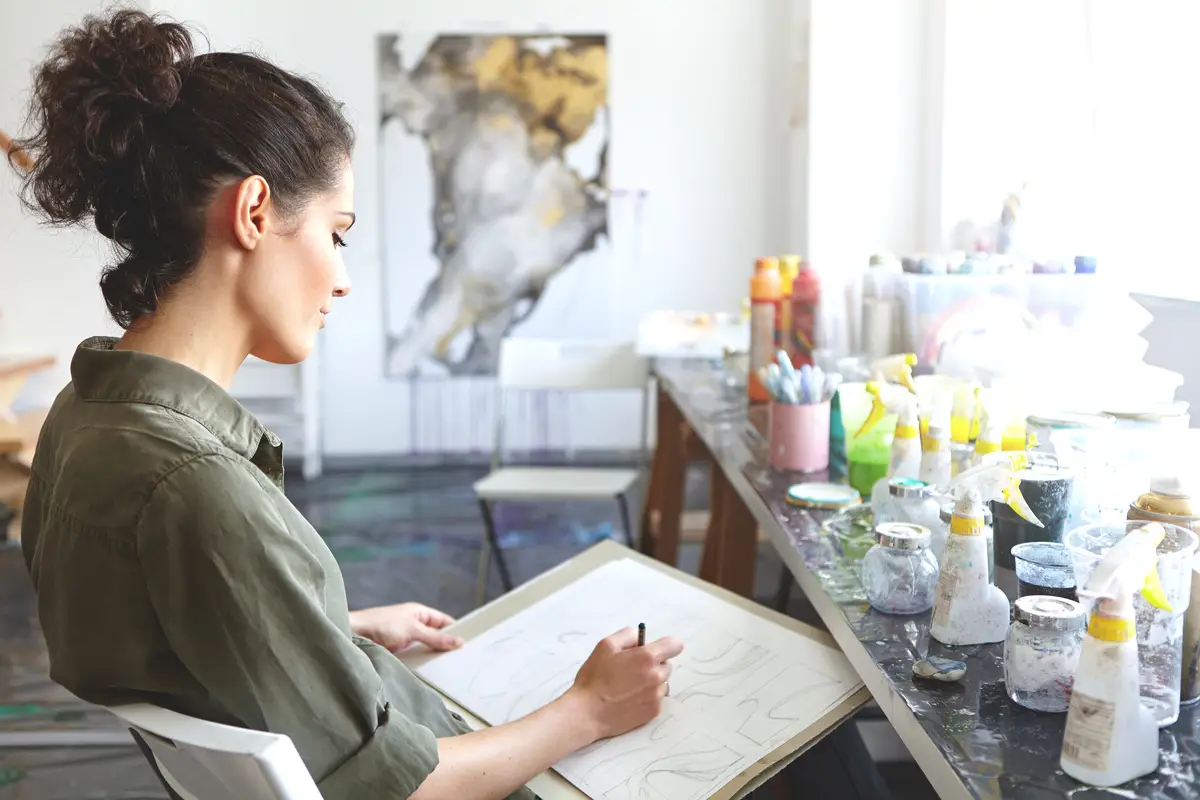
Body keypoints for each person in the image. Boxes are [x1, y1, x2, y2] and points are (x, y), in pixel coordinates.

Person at [13, 10, 681, 799]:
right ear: (254, 212)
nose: (343, 276)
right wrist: (589, 710)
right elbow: (393, 789)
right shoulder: (194, 483)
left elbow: (161, 641)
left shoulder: (82, 419)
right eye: (337, 232)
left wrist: (333, 628)